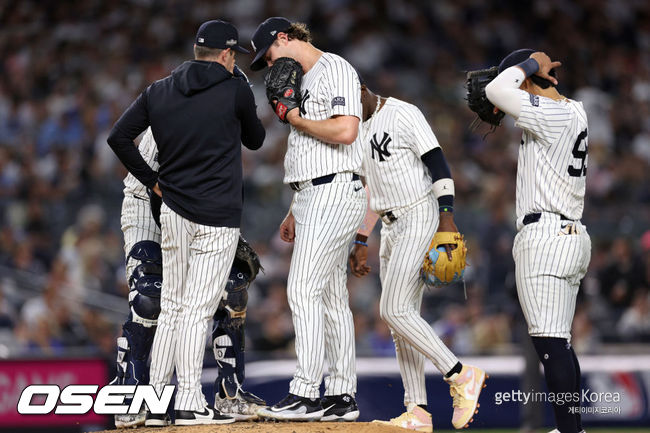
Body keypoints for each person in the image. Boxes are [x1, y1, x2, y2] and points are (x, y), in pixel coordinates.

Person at [107, 20, 265, 426]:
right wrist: (151, 182)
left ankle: (162, 400)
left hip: (174, 207)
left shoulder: (161, 90)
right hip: (182, 208)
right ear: (228, 55)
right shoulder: (232, 91)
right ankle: (186, 400)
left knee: (177, 307)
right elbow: (254, 139)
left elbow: (118, 137)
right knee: (179, 305)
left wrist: (159, 184)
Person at [349, 83, 486, 431]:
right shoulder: (354, 126)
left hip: (419, 214)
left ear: (362, 90)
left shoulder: (403, 113)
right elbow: (369, 188)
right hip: (390, 225)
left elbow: (438, 165)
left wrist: (447, 217)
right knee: (400, 323)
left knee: (392, 310)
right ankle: (418, 411)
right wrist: (363, 237)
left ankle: (460, 374)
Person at [249, 17, 366, 421]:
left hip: (334, 190)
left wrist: (296, 117)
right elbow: (311, 153)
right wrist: (294, 207)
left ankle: (305, 392)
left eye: (269, 53)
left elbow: (347, 132)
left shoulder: (335, 69)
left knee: (301, 289)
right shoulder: (302, 79)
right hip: (313, 194)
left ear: (285, 37)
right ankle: (341, 394)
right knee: (332, 298)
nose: (269, 64)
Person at [484, 49, 591, 433]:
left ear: (529, 81)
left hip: (545, 237)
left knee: (549, 344)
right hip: (571, 235)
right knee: (559, 342)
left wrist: (531, 64)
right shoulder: (574, 110)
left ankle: (569, 430)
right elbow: (504, 95)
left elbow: (498, 90)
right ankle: (571, 428)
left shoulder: (549, 114)